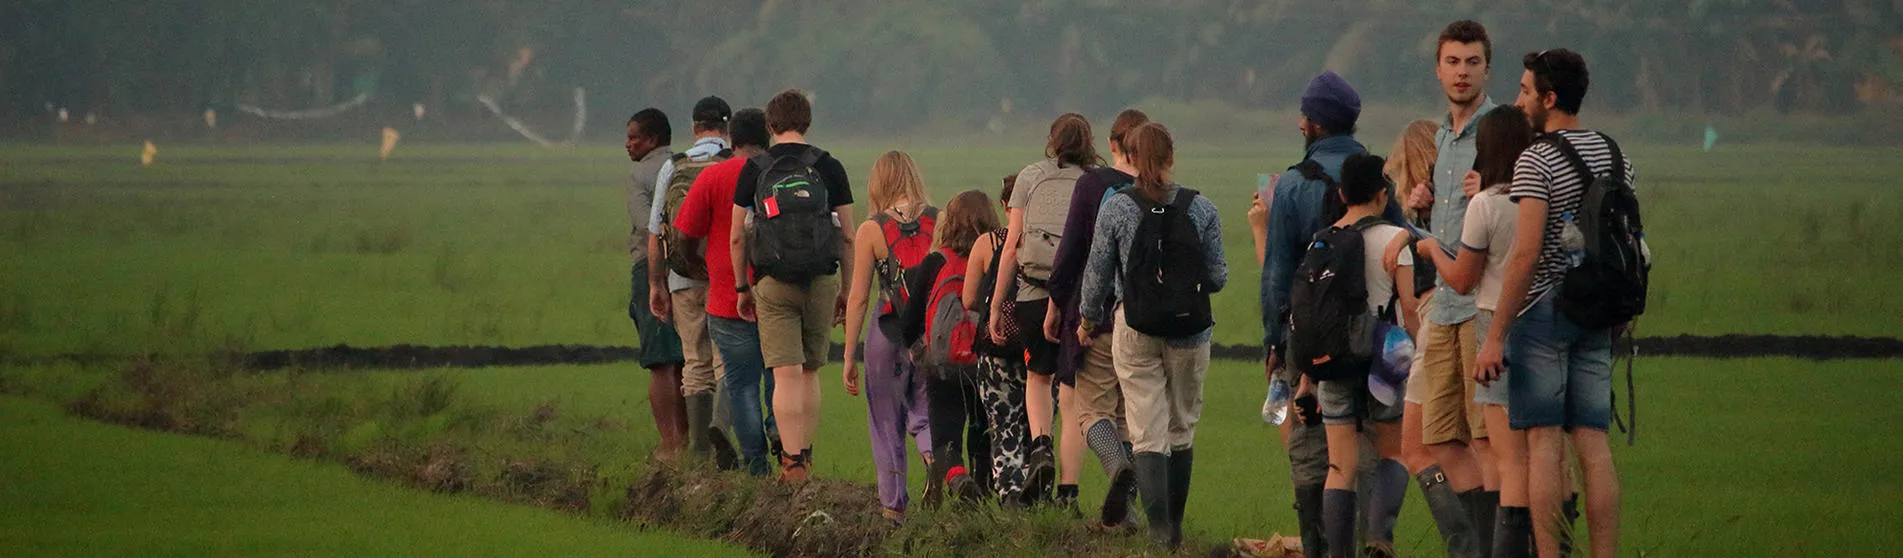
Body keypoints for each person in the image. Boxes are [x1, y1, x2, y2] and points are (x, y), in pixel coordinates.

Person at [1476, 48, 1634, 558]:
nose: (1519, 101)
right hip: (1599, 310)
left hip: (1544, 313)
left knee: (1544, 443)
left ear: (1549, 98)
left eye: (1526, 92)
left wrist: (1496, 335)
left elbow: (1524, 253)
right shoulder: (1615, 155)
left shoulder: (1536, 158)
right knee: (1593, 443)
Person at [1259, 71, 1407, 558]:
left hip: (1313, 338)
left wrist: (1276, 343)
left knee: (1311, 447)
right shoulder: (1379, 182)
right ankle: (1375, 537)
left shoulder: (1294, 184)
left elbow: (1279, 274)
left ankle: (1321, 547)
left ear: (1313, 124)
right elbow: (1406, 249)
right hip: (1377, 335)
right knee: (1376, 445)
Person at [1079, 121, 1224, 548]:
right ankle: (1176, 529)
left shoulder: (1118, 208)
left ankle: (1158, 534)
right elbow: (1217, 277)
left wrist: (1087, 321)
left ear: (1133, 158)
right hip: (1191, 333)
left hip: (1134, 328)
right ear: (1171, 158)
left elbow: (1097, 276)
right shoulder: (1203, 209)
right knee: (1181, 429)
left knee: (1145, 429)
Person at [1418, 105, 1536, 557]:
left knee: (1496, 453)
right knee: (1534, 449)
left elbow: (1464, 277)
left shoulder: (1487, 203)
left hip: (1489, 321)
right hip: (1537, 323)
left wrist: (1431, 250)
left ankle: (1495, 549)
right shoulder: (1538, 199)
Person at [729, 89, 855, 482]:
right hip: (820, 278)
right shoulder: (829, 166)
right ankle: (808, 454)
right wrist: (848, 290)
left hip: (771, 281)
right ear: (808, 123)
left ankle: (791, 462)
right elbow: (848, 236)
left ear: (770, 126)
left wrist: (740, 287)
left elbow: (736, 236)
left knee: (784, 374)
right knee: (810, 372)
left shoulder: (754, 168)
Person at [1415, 20, 1500, 558]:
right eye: (1453, 61)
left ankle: (1501, 546)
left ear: (1487, 69)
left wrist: (1490, 186)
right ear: (1439, 68)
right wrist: (1420, 204)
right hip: (1442, 305)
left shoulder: (1500, 133)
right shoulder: (1443, 136)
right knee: (1441, 440)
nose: (1462, 72)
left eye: (1472, 62)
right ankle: (1475, 545)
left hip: (1481, 307)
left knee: (1488, 440)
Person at [1308, 154, 1420, 558]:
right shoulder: (1396, 239)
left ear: (1341, 194)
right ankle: (1379, 538)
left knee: (1340, 466)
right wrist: (1420, 355)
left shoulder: (1321, 240)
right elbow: (1408, 307)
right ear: (1382, 194)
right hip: (1385, 360)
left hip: (1334, 359)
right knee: (1394, 452)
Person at [1043, 108, 1148, 527]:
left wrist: (1056, 306)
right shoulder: (1160, 191)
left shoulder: (1092, 185)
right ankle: (1129, 519)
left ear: (1112, 145)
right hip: (1148, 322)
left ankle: (1116, 472)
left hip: (1098, 318)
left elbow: (1071, 254)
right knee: (1130, 419)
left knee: (1090, 412)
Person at [990, 113, 1099, 506]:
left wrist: (999, 304)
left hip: (1033, 292)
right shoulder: (1094, 182)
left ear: (1051, 140)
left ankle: (1040, 448)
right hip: (1079, 298)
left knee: (1037, 377)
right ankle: (1067, 492)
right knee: (1070, 394)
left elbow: (1012, 244)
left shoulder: (1030, 176)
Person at [674, 108, 780, 477]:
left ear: (731, 139)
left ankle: (755, 467)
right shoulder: (777, 173)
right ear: (767, 136)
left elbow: (684, 232)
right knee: (777, 375)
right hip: (777, 294)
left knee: (742, 384)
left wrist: (692, 263)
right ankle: (781, 434)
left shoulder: (713, 176)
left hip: (727, 296)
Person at [840, 151, 936, 519]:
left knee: (885, 421)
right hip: (928, 332)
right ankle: (933, 460)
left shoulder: (871, 228)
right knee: (925, 409)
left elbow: (859, 297)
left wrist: (849, 354)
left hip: (886, 329)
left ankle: (893, 507)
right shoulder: (937, 219)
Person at [895, 189, 1001, 507]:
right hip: (984, 360)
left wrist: (918, 348)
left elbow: (909, 323)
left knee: (945, 429)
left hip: (943, 363)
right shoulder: (995, 259)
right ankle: (981, 493)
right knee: (982, 427)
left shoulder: (935, 261)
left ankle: (956, 476)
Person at [649, 96, 735, 467]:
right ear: (726, 127)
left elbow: (656, 231)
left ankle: (698, 453)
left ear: (695, 127)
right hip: (725, 276)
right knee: (726, 360)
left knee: (694, 362)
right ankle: (721, 433)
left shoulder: (673, 166)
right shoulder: (734, 165)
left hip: (683, 276)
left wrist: (657, 283)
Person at [963, 175, 1031, 505]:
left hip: (998, 347)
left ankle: (1010, 498)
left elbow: (968, 299)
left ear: (1005, 206)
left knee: (1005, 428)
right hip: (1039, 345)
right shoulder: (1048, 240)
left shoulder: (989, 243)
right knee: (1037, 427)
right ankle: (1038, 497)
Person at [625, 107, 688, 456]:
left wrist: (653, 278)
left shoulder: (640, 175)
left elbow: (645, 223)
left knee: (660, 361)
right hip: (692, 268)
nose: (628, 144)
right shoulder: (684, 166)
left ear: (651, 140)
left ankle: (669, 446)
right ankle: (691, 442)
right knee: (686, 358)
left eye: (634, 137)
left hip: (652, 267)